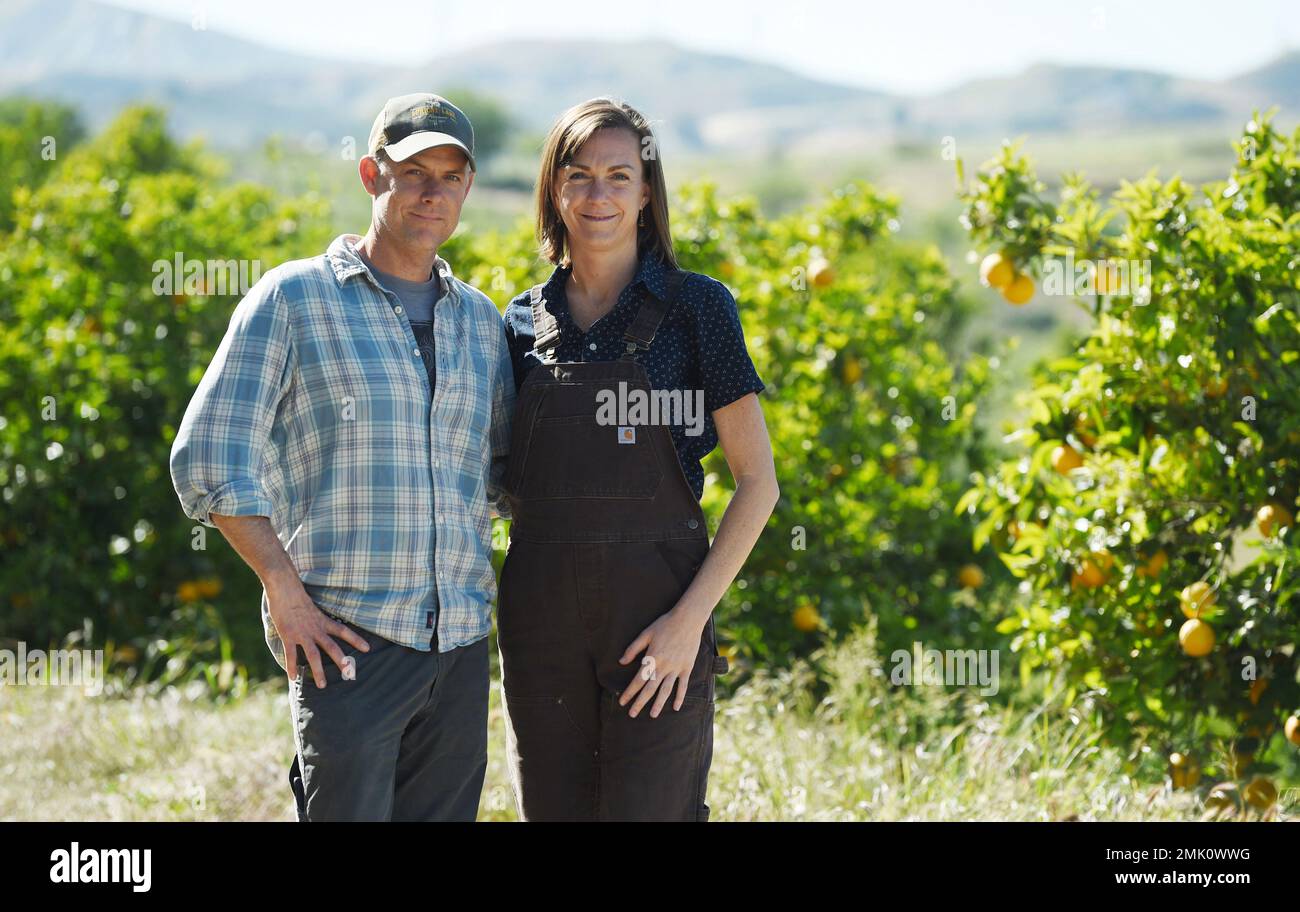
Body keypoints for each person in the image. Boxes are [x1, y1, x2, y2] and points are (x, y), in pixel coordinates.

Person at [169, 93, 514, 821]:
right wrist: (283, 592)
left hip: (457, 650)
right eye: (414, 170)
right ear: (370, 174)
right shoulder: (292, 299)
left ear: (467, 190)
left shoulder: (481, 322)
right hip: (348, 647)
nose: (433, 191)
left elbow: (506, 477)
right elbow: (208, 455)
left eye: (451, 176)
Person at [498, 97, 779, 821]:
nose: (598, 195)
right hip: (540, 620)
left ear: (647, 191)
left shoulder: (699, 309)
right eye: (579, 174)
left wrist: (689, 623)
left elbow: (757, 483)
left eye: (619, 176)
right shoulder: (518, 322)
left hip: (658, 614)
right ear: (553, 189)